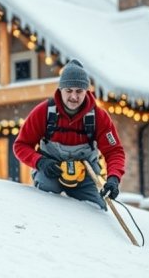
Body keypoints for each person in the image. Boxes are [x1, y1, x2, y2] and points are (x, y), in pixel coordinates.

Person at [13, 59, 125, 210]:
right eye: (69, 90)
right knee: (45, 204)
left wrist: (113, 179)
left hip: (86, 175)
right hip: (51, 172)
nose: (74, 96)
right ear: (60, 89)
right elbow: (21, 145)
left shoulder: (99, 117)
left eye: (79, 91)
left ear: (86, 91)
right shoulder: (43, 112)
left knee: (98, 210)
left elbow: (114, 151)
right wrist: (40, 162)